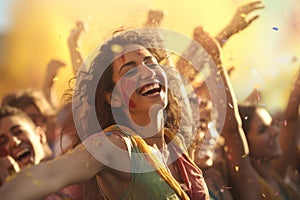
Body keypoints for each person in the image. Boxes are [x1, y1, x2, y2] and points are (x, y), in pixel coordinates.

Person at [0, 28, 210, 200]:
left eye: (150, 62)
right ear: (113, 98)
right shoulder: (116, 146)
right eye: (130, 69)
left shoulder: (175, 145)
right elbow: (49, 175)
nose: (147, 72)